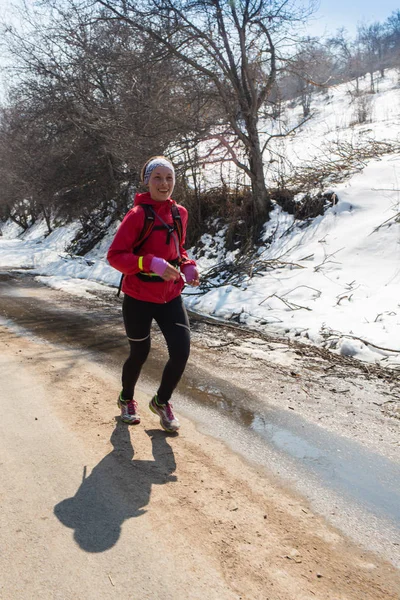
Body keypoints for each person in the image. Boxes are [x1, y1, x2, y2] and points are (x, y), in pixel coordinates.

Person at [107, 156, 199, 432]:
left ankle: (161, 401)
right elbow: (115, 256)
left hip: (170, 296)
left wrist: (188, 265)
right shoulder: (137, 215)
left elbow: (178, 250)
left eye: (169, 178)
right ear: (147, 181)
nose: (164, 183)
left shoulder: (179, 213)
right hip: (139, 297)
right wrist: (149, 263)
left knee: (181, 351)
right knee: (140, 352)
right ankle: (126, 398)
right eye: (157, 177)